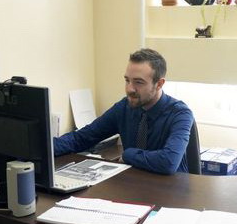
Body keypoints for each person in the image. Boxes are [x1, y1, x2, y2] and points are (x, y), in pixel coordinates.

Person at [54, 48, 194, 175]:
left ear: (159, 84)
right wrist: (44, 148)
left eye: (138, 82)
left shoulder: (180, 114)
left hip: (171, 190)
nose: (129, 89)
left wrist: (128, 155)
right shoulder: (123, 108)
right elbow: (81, 138)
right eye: (127, 80)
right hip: (132, 186)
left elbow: (168, 162)